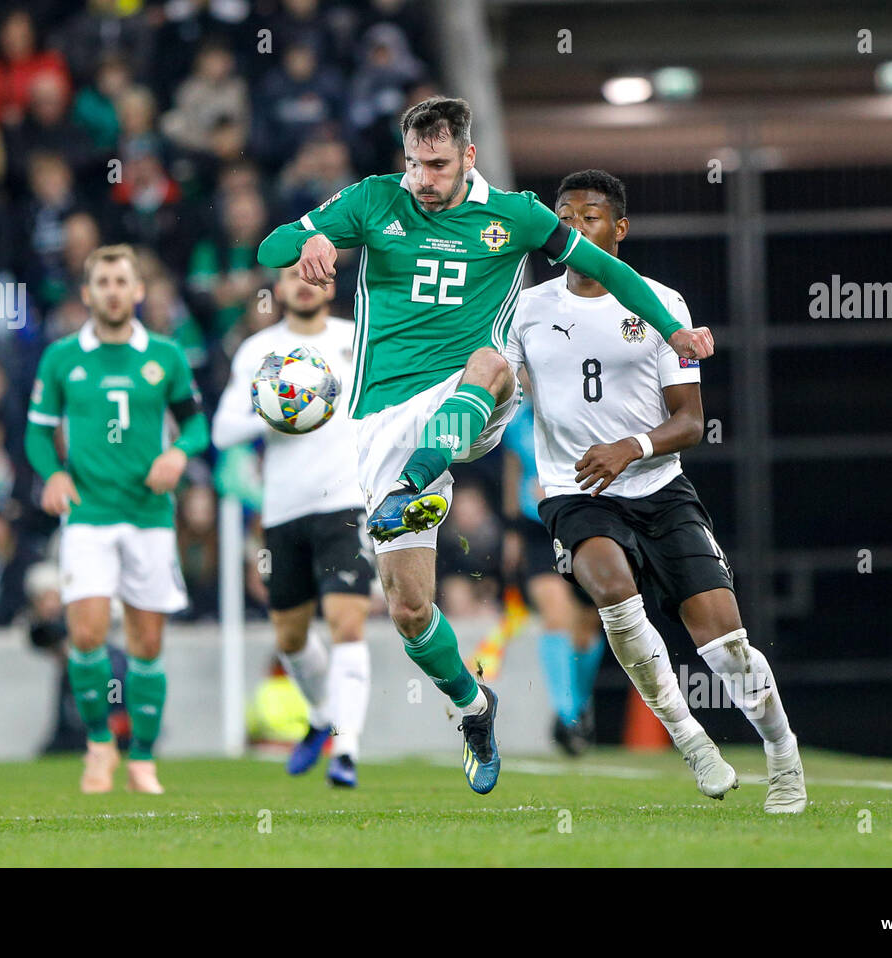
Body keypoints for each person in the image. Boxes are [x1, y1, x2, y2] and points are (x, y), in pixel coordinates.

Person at [257, 96, 714, 794]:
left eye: (436, 164)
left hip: (471, 399)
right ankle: (474, 706)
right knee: (410, 610)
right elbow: (270, 249)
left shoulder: (517, 215)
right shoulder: (375, 201)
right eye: (413, 163)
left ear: (468, 156)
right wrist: (308, 238)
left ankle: (415, 482)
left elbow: (613, 271)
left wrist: (671, 330)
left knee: (493, 364)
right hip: (385, 416)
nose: (422, 178)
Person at [504, 169, 806, 812]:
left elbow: (691, 422)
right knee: (611, 588)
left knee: (725, 646)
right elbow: (507, 389)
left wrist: (630, 448)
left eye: (589, 217)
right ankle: (690, 740)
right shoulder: (526, 307)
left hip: (658, 488)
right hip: (574, 492)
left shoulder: (662, 304)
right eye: (564, 216)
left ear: (619, 229)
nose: (574, 229)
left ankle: (782, 753)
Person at [24, 244, 209, 794]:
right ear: (86, 293)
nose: (111, 290)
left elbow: (196, 424)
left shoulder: (166, 356)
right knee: (85, 635)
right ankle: (99, 744)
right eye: (101, 281)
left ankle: (144, 758)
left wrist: (178, 455)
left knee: (147, 645)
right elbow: (36, 431)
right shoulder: (61, 358)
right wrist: (52, 475)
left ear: (138, 291)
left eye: (120, 280)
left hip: (150, 516)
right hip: (87, 515)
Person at [212, 267, 373, 787]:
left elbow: (387, 408)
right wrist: (280, 410)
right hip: (282, 509)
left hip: (345, 502)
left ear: (330, 286)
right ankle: (323, 716)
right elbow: (221, 430)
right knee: (290, 636)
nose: (304, 285)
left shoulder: (356, 339)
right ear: (277, 289)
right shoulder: (258, 350)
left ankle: (345, 750)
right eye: (292, 277)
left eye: (314, 276)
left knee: (347, 623)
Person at [500, 393, 604, 755]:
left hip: (582, 521)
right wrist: (511, 528)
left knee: (587, 625)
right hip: (536, 528)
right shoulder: (516, 420)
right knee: (556, 614)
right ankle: (567, 717)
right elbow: (513, 468)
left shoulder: (585, 407)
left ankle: (579, 703)